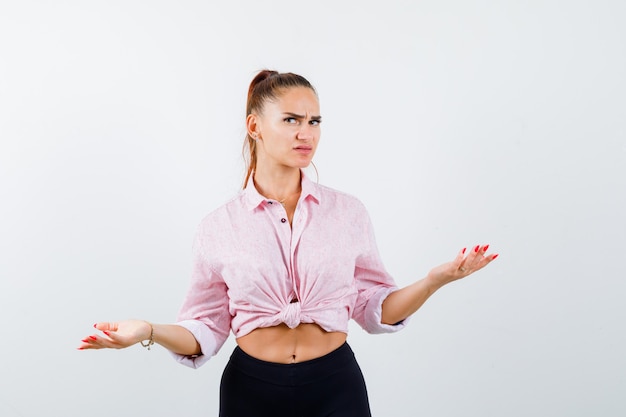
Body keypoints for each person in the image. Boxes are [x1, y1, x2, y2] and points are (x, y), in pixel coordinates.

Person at [78, 70, 498, 416]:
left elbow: (374, 308)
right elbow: (204, 328)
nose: (306, 134)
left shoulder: (348, 212)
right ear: (255, 126)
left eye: (314, 122)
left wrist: (433, 280)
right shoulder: (218, 226)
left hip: (337, 389)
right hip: (251, 393)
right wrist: (147, 331)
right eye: (292, 120)